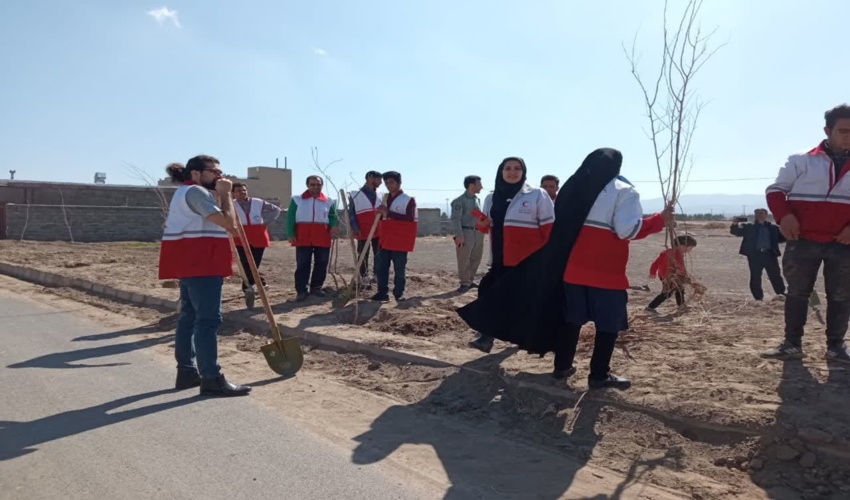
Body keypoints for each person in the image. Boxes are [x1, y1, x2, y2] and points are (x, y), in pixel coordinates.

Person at [457, 149, 673, 390]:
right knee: (608, 325)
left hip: (572, 269)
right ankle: (599, 375)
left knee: (572, 320)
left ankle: (562, 367)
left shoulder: (572, 188)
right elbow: (627, 230)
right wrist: (659, 220)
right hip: (606, 271)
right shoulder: (624, 191)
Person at [763, 104, 850, 363]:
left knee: (841, 295)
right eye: (843, 131)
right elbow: (776, 191)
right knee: (798, 293)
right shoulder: (801, 160)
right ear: (827, 130)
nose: (848, 136)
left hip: (843, 243)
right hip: (802, 241)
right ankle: (791, 344)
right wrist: (784, 216)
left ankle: (836, 347)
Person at [158, 155, 251, 397]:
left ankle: (187, 371)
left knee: (188, 317)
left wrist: (220, 196)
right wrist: (228, 195)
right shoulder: (196, 192)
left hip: (191, 261)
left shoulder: (188, 192)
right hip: (201, 263)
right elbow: (229, 223)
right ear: (197, 173)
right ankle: (211, 376)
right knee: (208, 320)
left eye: (221, 172)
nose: (220, 176)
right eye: (214, 172)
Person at [467, 157, 555, 353]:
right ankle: (486, 337)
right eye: (508, 168)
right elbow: (486, 227)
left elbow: (549, 229)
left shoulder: (537, 195)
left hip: (526, 260)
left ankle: (523, 338)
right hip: (499, 257)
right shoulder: (491, 198)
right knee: (489, 293)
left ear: (523, 172)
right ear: (501, 171)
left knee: (521, 300)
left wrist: (545, 259)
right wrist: (482, 225)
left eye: (517, 168)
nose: (512, 172)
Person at [287, 175, 339, 302]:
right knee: (303, 263)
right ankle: (301, 290)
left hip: (322, 234)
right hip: (303, 235)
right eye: (312, 184)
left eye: (318, 184)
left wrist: (334, 226)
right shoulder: (297, 199)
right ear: (307, 185)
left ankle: (316, 287)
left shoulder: (329, 200)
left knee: (322, 262)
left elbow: (332, 216)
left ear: (322, 185)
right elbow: (290, 217)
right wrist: (290, 233)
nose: (316, 186)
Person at [232, 182, 281, 308]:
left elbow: (276, 210)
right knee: (245, 264)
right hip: (240, 236)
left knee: (254, 263)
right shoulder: (231, 204)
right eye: (238, 191)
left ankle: (254, 286)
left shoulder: (258, 202)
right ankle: (249, 289)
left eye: (243, 190)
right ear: (233, 193)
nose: (241, 192)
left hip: (258, 235)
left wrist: (265, 221)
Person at [372, 171, 417, 302]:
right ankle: (382, 292)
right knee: (381, 268)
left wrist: (389, 213)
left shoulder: (408, 200)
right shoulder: (384, 199)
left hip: (400, 240)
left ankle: (399, 293)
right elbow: (381, 218)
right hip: (384, 239)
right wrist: (379, 214)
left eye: (391, 182)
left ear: (399, 182)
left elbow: (409, 219)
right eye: (386, 183)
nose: (388, 185)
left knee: (399, 269)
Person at [730, 208, 786, 301]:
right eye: (756, 213)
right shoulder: (749, 227)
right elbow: (735, 232)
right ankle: (758, 297)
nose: (759, 215)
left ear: (766, 215)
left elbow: (782, 238)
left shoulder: (773, 228)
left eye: (761, 213)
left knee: (775, 275)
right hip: (755, 255)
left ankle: (780, 294)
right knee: (755, 276)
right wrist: (735, 224)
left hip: (770, 255)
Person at [348, 171, 383, 289]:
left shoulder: (380, 195)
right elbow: (351, 213)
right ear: (370, 178)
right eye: (379, 179)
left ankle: (378, 274)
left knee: (379, 253)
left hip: (378, 229)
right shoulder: (356, 195)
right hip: (363, 229)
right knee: (363, 254)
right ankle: (364, 276)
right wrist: (355, 227)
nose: (381, 182)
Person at [646, 234, 697, 314]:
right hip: (669, 277)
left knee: (680, 290)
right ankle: (650, 307)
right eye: (690, 248)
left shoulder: (667, 251)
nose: (690, 250)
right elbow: (680, 266)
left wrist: (652, 272)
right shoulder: (675, 254)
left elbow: (656, 263)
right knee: (667, 293)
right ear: (682, 246)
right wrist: (684, 275)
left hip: (665, 276)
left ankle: (681, 305)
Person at [450, 175, 485, 293]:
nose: (482, 187)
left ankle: (470, 280)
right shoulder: (459, 201)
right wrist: (459, 235)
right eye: (479, 184)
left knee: (476, 257)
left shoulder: (477, 199)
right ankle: (464, 282)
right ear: (471, 185)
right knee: (464, 258)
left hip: (477, 232)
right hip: (465, 232)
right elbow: (456, 219)